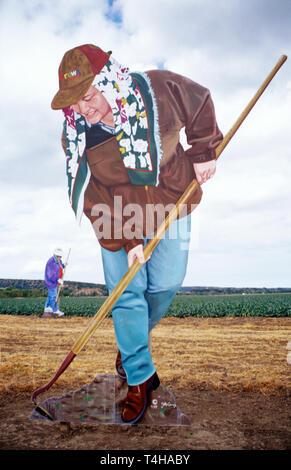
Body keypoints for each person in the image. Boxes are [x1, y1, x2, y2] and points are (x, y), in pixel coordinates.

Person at [51, 44, 223, 423]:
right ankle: (139, 377)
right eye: (74, 102)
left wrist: (204, 151)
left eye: (90, 95)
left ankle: (131, 347)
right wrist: (128, 242)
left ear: (110, 82)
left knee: (166, 282)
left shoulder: (159, 91)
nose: (85, 109)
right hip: (116, 217)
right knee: (127, 294)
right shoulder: (78, 137)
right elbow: (94, 198)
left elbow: (200, 103)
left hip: (171, 201)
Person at [43, 248, 65, 317]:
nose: (59, 257)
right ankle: (55, 311)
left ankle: (47, 308)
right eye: (58, 256)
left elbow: (59, 267)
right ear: (56, 255)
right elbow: (50, 274)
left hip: (56, 282)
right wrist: (58, 279)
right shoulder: (51, 262)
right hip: (51, 282)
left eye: (60, 256)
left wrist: (64, 265)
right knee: (53, 296)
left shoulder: (59, 261)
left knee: (50, 295)